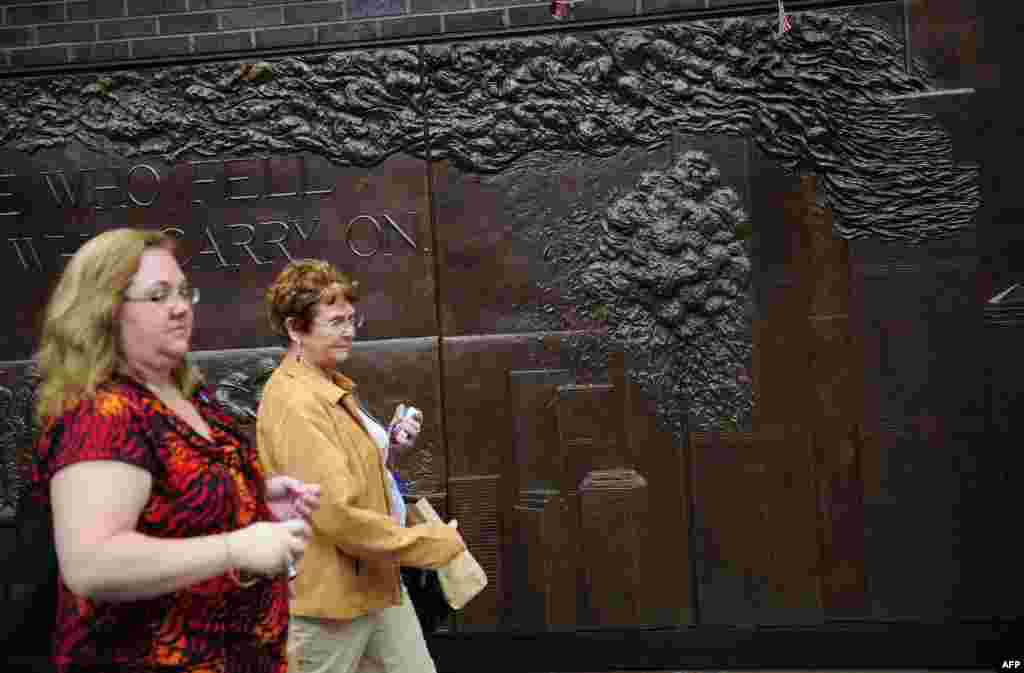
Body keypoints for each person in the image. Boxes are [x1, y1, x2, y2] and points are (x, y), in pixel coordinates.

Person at [29, 228, 321, 673]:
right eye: (158, 295)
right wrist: (235, 547)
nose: (181, 307)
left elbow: (178, 508)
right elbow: (91, 563)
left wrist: (255, 502)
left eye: (185, 292)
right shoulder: (105, 413)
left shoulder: (184, 395)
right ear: (106, 310)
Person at [257, 259, 466, 673]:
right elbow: (336, 513)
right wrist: (427, 543)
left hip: (376, 587)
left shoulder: (330, 384)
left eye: (352, 319)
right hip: (330, 605)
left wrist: (389, 447)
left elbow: (344, 476)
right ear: (295, 329)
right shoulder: (295, 403)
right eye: (335, 321)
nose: (349, 331)